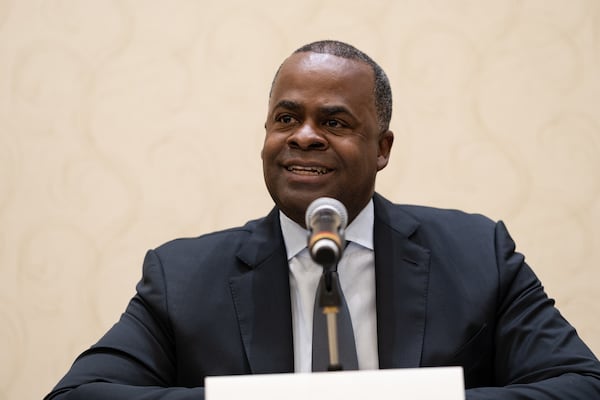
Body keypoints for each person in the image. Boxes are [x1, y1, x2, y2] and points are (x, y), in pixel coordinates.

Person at [45, 40, 600, 400]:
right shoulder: (183, 274)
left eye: (333, 121)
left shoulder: (478, 252)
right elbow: (79, 396)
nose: (303, 135)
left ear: (381, 148)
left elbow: (580, 385)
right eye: (286, 117)